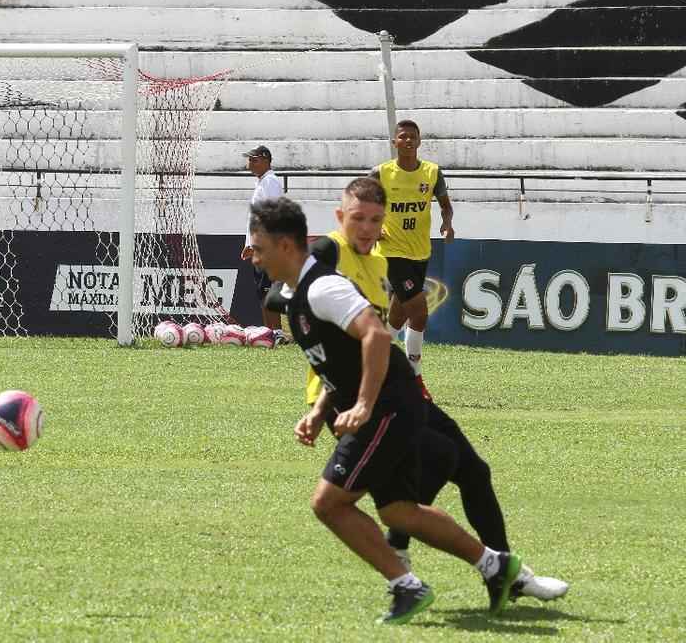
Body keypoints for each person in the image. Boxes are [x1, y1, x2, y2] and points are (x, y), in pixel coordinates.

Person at [266, 178, 568, 604]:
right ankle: (469, 565)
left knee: (468, 471)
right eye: (357, 218)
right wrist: (325, 401)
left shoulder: (378, 263)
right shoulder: (328, 252)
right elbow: (285, 300)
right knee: (436, 464)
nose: (366, 228)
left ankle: (483, 568)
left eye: (375, 219)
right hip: (357, 401)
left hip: (386, 391)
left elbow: (369, 337)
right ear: (339, 216)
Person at [369, 119, 454, 379]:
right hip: (391, 252)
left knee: (398, 316)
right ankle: (413, 376)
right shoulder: (381, 173)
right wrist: (373, 226)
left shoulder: (432, 172)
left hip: (420, 252)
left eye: (412, 137)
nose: (407, 140)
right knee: (419, 312)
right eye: (402, 137)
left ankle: (373, 361)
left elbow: (445, 206)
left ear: (419, 141)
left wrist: (447, 224)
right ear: (394, 142)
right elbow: (360, 203)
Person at [239, 145, 285, 339]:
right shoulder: (263, 182)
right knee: (262, 289)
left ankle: (276, 333)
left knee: (267, 289)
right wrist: (249, 244)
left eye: (254, 160)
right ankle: (270, 332)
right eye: (249, 160)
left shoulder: (270, 181)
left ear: (266, 160)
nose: (250, 164)